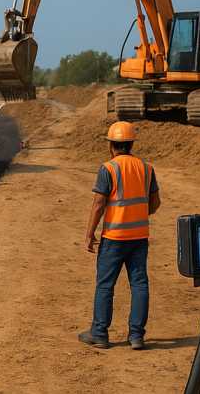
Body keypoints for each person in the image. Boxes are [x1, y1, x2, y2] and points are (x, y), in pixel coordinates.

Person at [79, 121, 161, 351]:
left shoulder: (109, 168)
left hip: (114, 238)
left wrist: (89, 234)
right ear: (131, 143)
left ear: (111, 145)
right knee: (139, 285)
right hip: (139, 237)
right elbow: (154, 203)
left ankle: (100, 334)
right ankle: (136, 336)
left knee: (105, 285)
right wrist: (138, 212)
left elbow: (98, 204)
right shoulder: (146, 168)